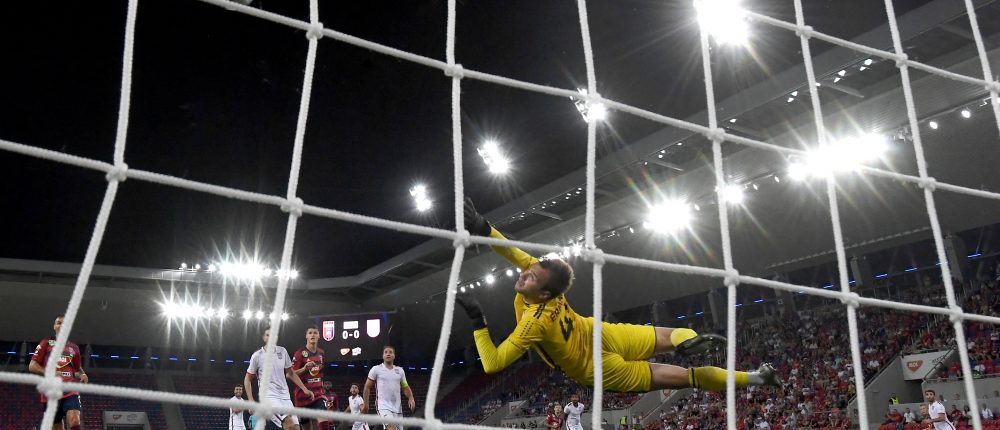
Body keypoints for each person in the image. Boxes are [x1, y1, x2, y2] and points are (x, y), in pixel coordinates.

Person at [455, 199, 781, 393]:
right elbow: (513, 252)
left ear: (543, 293)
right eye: (528, 270)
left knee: (687, 378)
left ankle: (741, 371)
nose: (524, 272)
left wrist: (478, 322)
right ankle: (705, 351)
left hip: (596, 366)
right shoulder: (547, 285)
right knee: (674, 339)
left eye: (531, 274)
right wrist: (484, 228)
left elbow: (493, 363)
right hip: (599, 334)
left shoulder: (533, 323)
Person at [244, 326, 314, 430]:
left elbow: (291, 373)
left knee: (296, 427)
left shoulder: (283, 351)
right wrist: (250, 400)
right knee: (288, 422)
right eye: (268, 335)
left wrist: (304, 389)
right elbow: (247, 379)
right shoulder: (257, 355)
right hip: (269, 397)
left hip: (285, 397)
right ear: (264, 338)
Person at [29, 315, 89, 430]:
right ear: (54, 326)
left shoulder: (74, 348)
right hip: (51, 391)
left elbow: (77, 369)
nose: (61, 325)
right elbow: (32, 366)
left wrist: (83, 374)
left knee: (74, 420)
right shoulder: (45, 343)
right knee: (56, 426)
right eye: (59, 323)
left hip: (70, 389)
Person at [361, 345, 416, 430]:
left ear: (394, 356)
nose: (388, 354)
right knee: (391, 427)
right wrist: (366, 404)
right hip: (383, 406)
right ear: (383, 356)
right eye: (386, 352)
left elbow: (405, 387)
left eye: (391, 352)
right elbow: (367, 387)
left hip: (397, 408)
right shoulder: (376, 369)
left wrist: (411, 397)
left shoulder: (400, 370)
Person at [292, 326, 332, 430]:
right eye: (310, 333)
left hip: (318, 396)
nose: (312, 335)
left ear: (319, 336)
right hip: (302, 397)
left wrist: (322, 392)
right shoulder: (299, 353)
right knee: (307, 427)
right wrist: (304, 368)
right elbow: (290, 374)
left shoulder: (321, 353)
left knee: (324, 423)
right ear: (306, 336)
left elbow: (320, 374)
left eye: (315, 333)